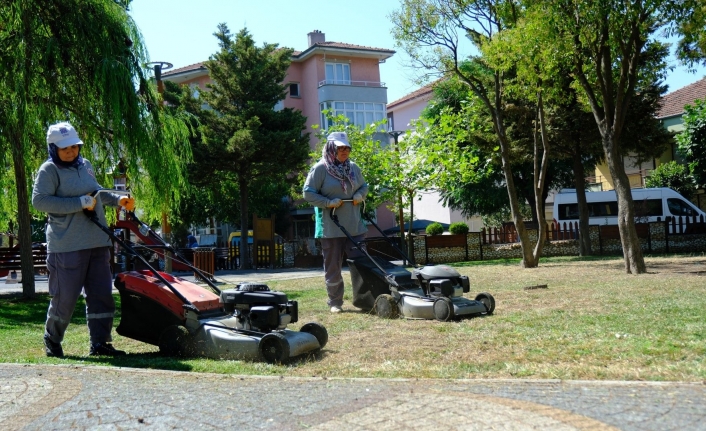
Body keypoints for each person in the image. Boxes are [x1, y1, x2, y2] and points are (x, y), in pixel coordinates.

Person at [32, 121, 135, 358]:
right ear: (53, 148)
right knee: (65, 299)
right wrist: (78, 203)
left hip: (97, 242)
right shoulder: (49, 170)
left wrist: (118, 199)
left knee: (101, 296)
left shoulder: (85, 165)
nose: (70, 151)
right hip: (67, 246)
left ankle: (100, 343)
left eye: (74, 146)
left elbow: (95, 192)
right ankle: (52, 338)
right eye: (64, 148)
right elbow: (40, 201)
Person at [303, 131, 368, 313]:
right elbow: (308, 193)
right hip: (331, 227)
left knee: (362, 264)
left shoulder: (353, 168)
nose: (345, 151)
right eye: (340, 148)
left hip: (355, 226)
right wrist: (327, 202)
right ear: (332, 148)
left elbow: (364, 186)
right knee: (333, 266)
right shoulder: (320, 169)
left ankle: (364, 299)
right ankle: (335, 302)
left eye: (347, 147)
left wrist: (359, 195)